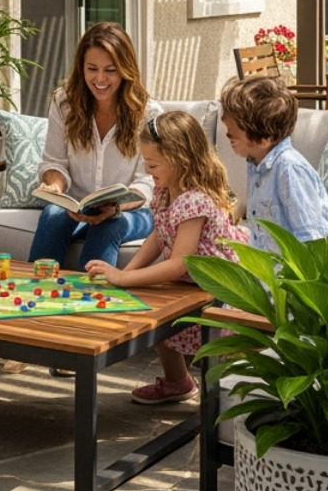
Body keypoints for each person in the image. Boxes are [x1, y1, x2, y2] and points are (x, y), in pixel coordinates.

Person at [85, 110, 247, 405]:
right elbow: (159, 236)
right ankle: (178, 383)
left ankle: (225, 405)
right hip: (191, 282)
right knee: (152, 307)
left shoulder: (194, 199)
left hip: (218, 289)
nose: (148, 171)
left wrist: (123, 277)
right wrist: (125, 277)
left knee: (217, 351)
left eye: (153, 163)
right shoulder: (165, 190)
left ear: (179, 158)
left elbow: (178, 263)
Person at [27, 22, 155, 268]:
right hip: (78, 206)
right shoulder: (64, 103)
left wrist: (116, 207)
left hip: (132, 210)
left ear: (125, 70)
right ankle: (36, 293)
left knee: (110, 224)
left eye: (110, 70)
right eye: (92, 69)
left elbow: (146, 183)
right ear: (81, 68)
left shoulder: (146, 113)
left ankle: (94, 299)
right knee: (53, 215)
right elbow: (54, 162)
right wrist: (54, 186)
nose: (100, 79)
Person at [220, 76, 328, 252]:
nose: (228, 135)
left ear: (265, 139)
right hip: (269, 274)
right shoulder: (256, 165)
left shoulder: (290, 169)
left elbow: (312, 238)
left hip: (295, 275)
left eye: (233, 134)